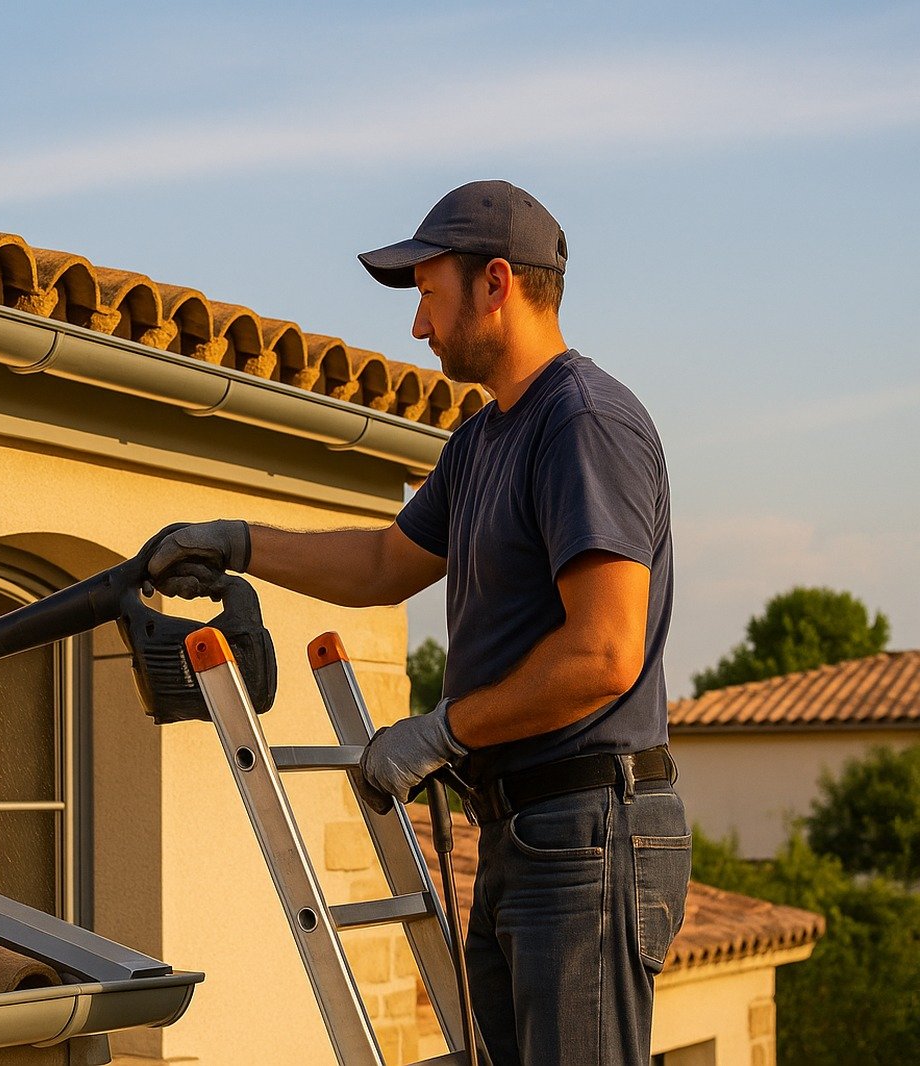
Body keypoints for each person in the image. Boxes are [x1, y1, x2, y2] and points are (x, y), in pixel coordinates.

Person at [143, 180, 689, 1065]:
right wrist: (238, 543)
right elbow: (382, 565)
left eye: (429, 294)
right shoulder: (482, 443)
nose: (417, 325)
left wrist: (443, 731)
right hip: (526, 829)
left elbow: (603, 652)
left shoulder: (582, 424)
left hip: (590, 829)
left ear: (497, 283)